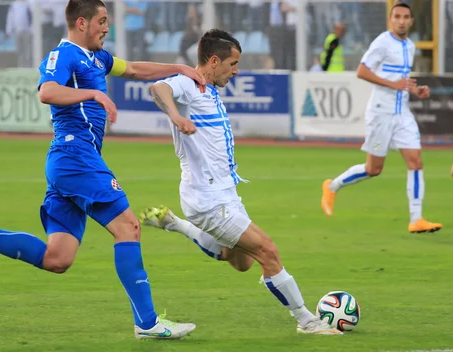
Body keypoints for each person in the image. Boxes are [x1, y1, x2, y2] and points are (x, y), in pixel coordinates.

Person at [0, 0, 207, 340]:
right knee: (129, 227)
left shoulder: (96, 58)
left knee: (57, 259)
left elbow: (135, 69)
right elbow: (47, 92)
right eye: (102, 21)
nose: (107, 27)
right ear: (82, 23)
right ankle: (148, 323)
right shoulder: (64, 55)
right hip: (75, 156)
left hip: (69, 162)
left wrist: (179, 68)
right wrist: (93, 95)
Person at [140, 29, 342, 335]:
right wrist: (176, 118)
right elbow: (157, 89)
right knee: (267, 251)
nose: (236, 71)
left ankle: (175, 224)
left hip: (223, 193)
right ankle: (307, 320)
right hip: (207, 197)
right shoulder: (190, 84)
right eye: (232, 64)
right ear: (213, 61)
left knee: (240, 262)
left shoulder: (210, 90)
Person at [321, 3, 442, 234]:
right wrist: (393, 85)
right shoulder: (382, 42)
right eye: (397, 16)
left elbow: (400, 80)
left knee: (415, 161)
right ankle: (332, 185)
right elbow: (362, 71)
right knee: (374, 169)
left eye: (406, 17)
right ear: (390, 20)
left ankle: (416, 219)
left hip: (402, 113)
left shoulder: (410, 46)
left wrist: (415, 90)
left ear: (411, 21)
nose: (402, 21)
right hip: (380, 112)